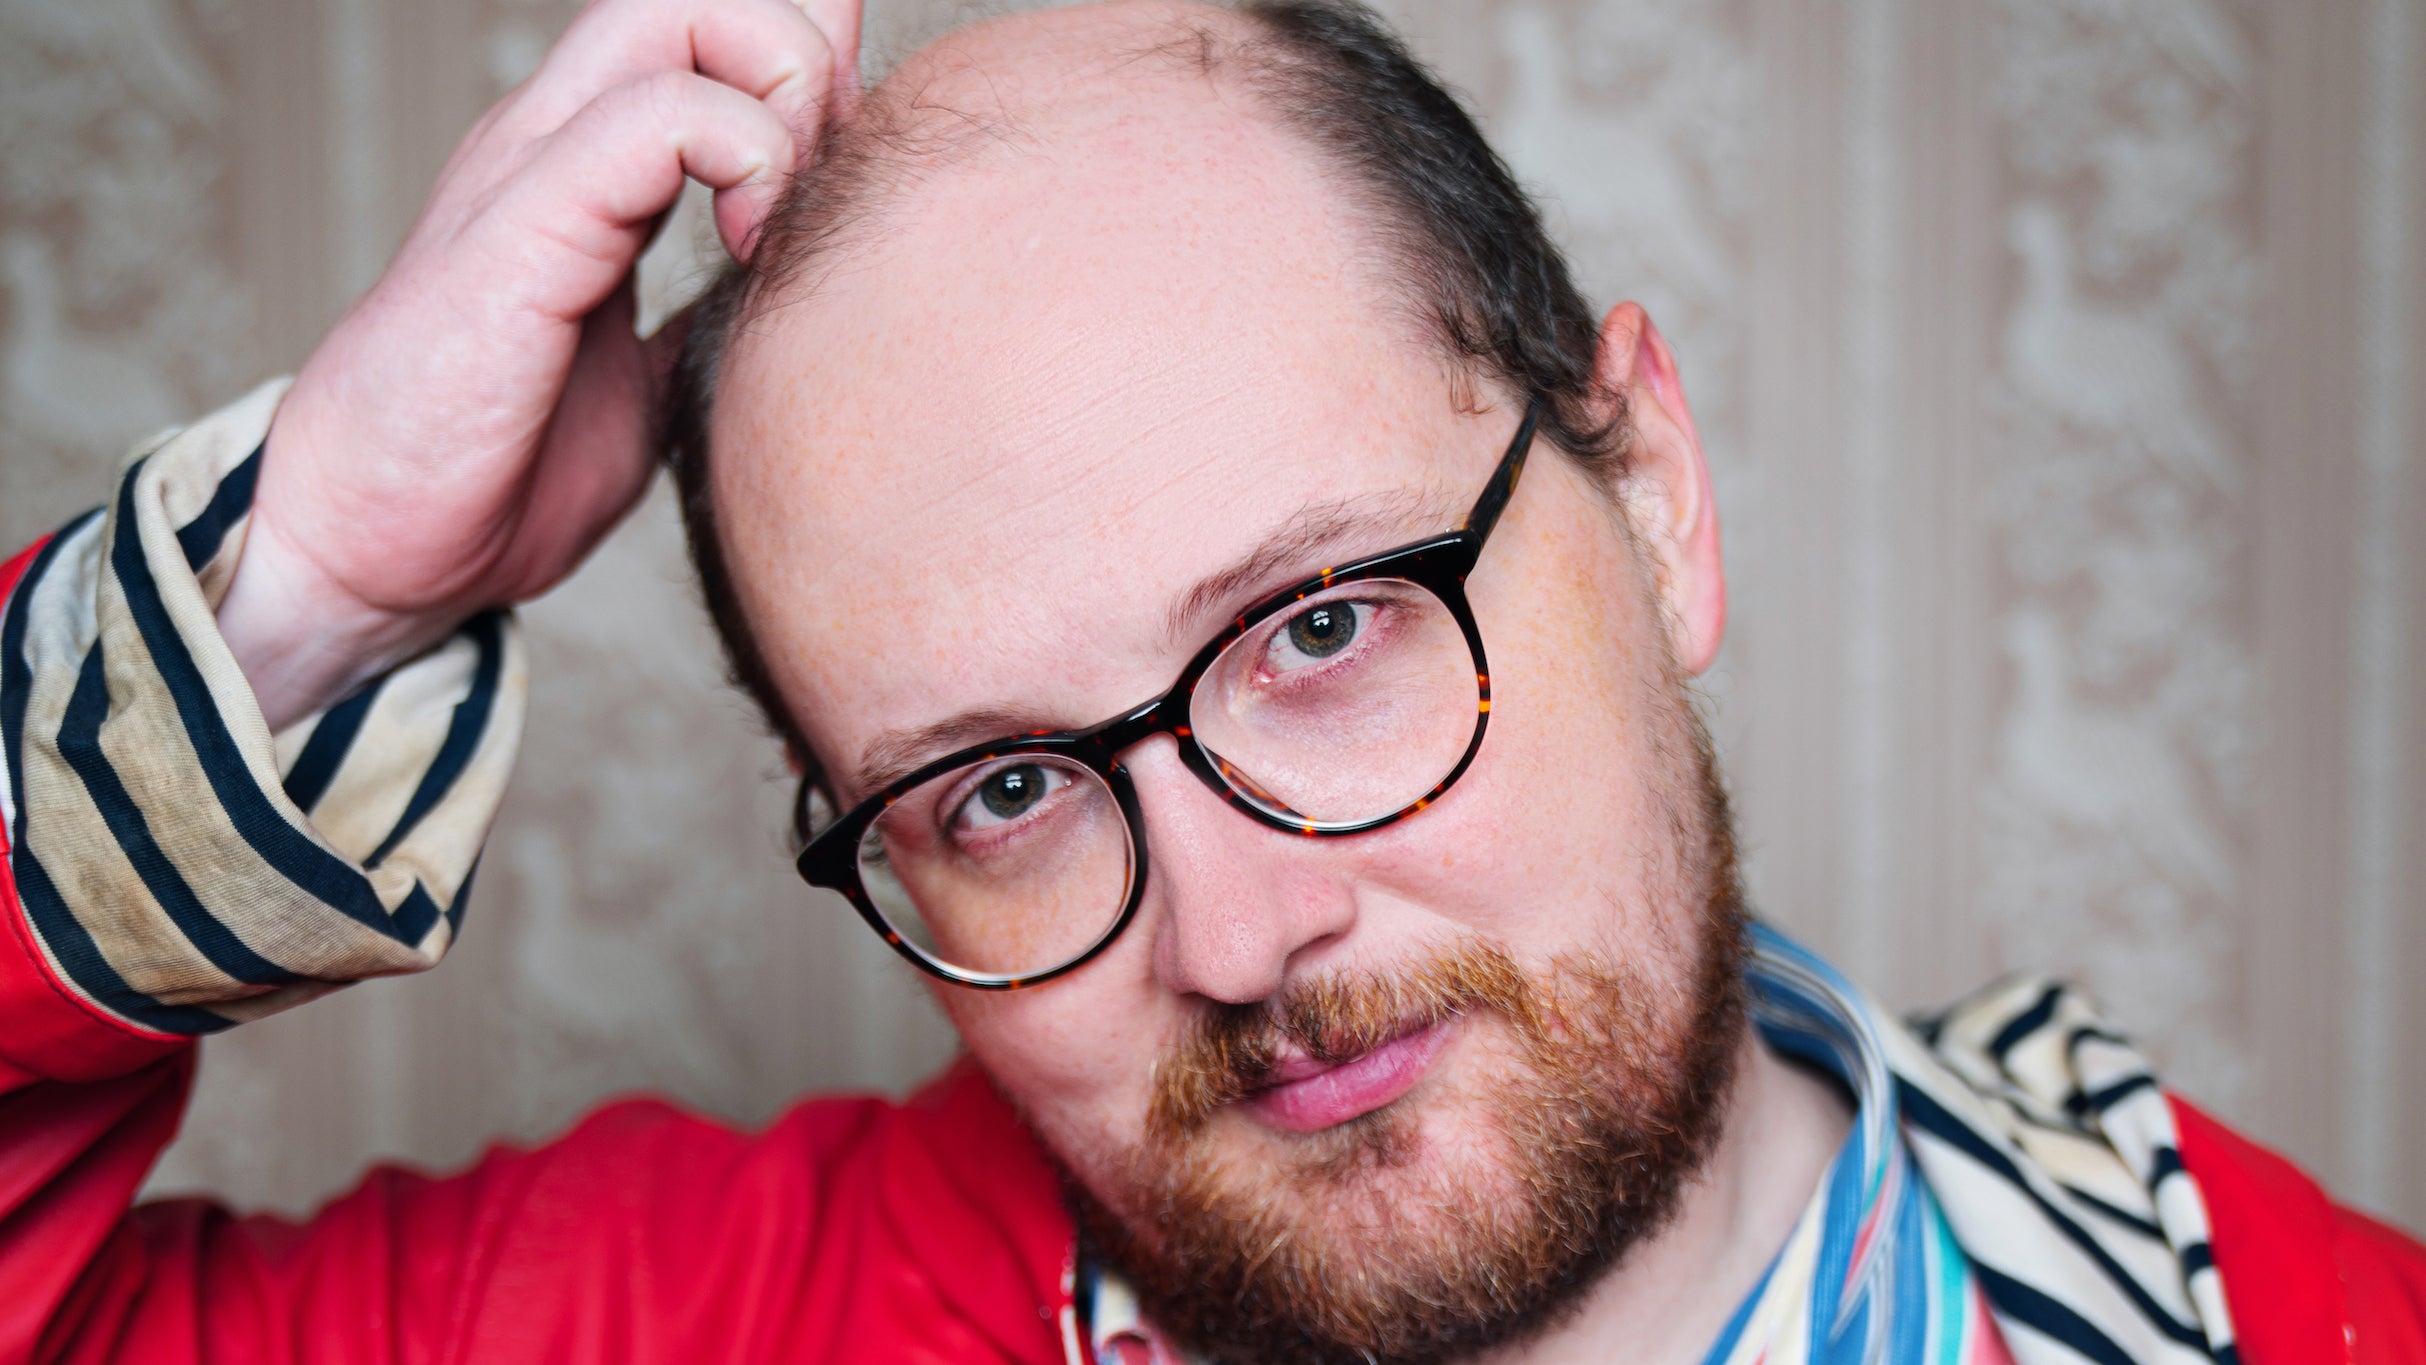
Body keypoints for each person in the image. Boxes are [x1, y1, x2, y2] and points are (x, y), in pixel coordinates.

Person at [0, 0, 2419, 1360]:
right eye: (1002, 787)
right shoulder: (699, 1318)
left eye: (1321, 626)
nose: (1241, 933)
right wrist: (305, 586)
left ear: (1655, 494)